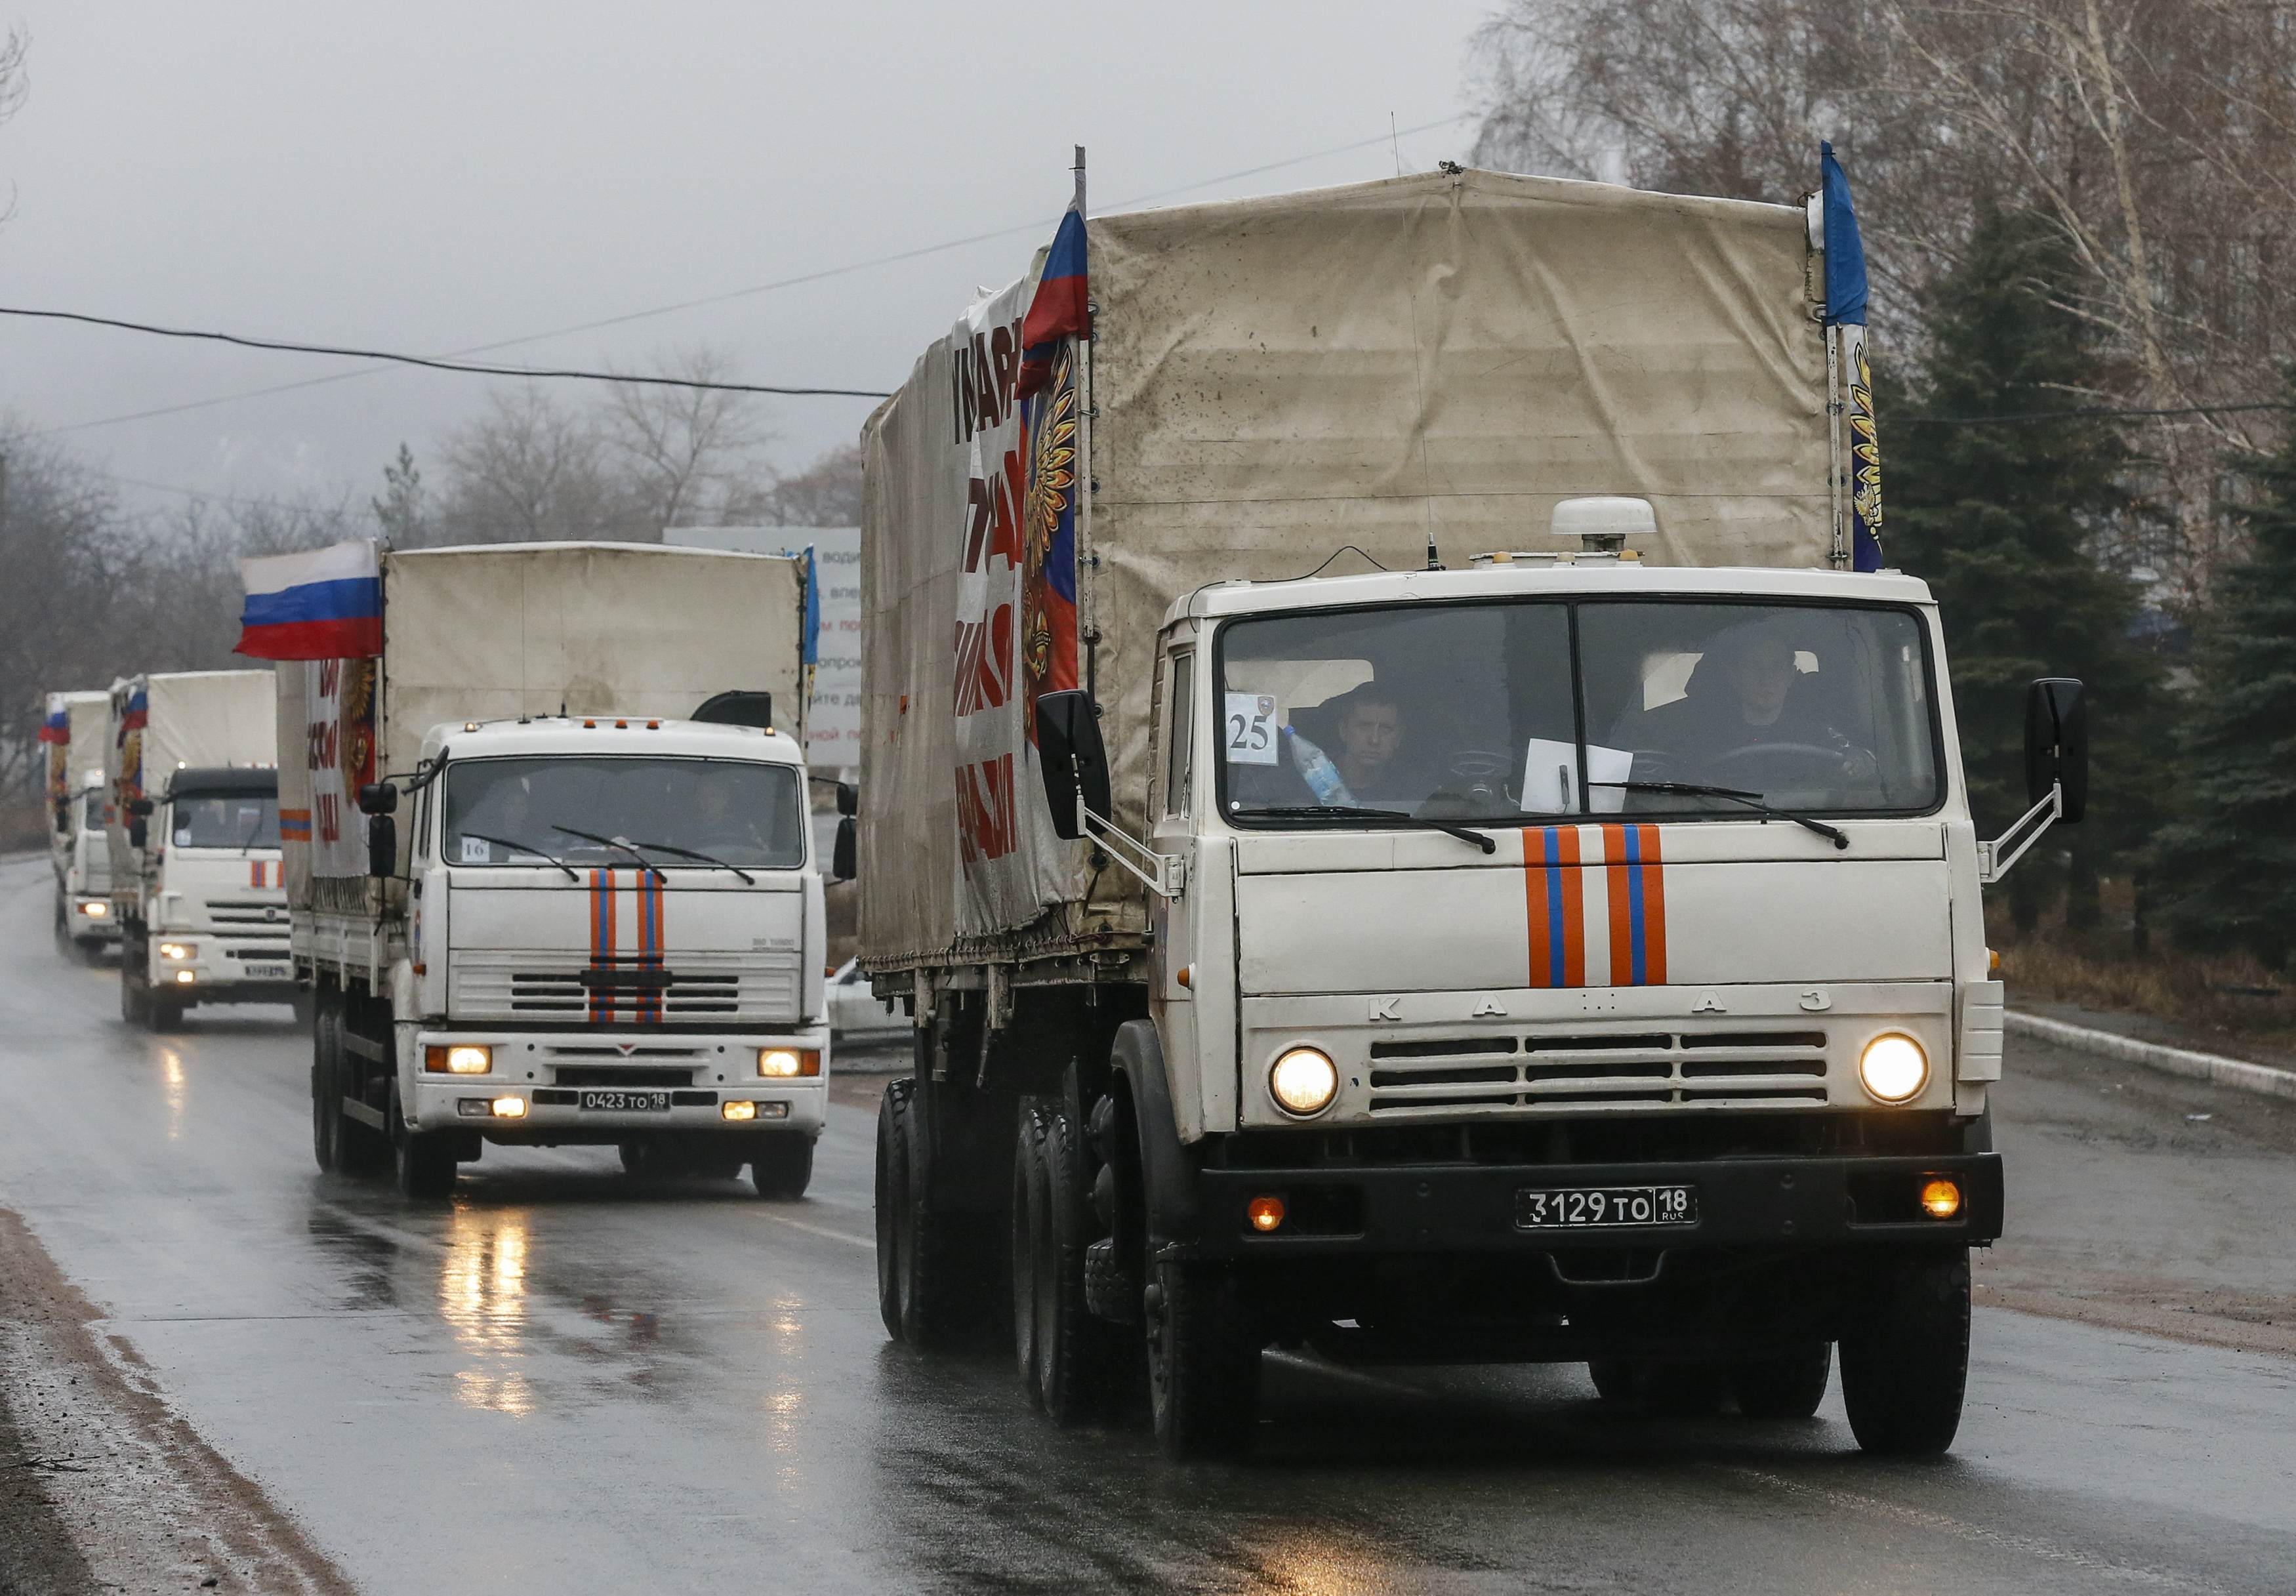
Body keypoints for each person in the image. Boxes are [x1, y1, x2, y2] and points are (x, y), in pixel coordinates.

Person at [1643, 620, 1874, 788]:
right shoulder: (1698, 737)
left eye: (1776, 668)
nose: (1767, 679)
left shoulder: (1820, 735)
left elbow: (1861, 763)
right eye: (1755, 667)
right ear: (1734, 676)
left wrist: (1860, 761)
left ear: (1791, 676)